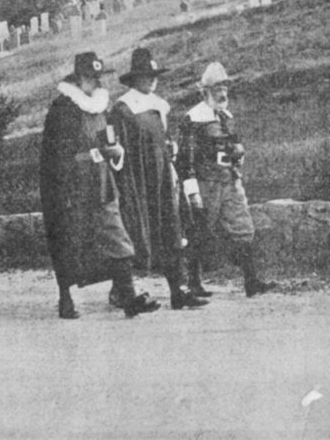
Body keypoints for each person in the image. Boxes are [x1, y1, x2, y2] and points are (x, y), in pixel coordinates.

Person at [39, 52, 161, 319]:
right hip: (74, 189)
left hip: (103, 183)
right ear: (79, 78)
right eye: (92, 78)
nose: (97, 83)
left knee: (118, 237)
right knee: (70, 242)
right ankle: (65, 297)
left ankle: (127, 297)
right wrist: (67, 184)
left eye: (99, 77)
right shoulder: (62, 109)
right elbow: (54, 156)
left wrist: (115, 152)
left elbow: (108, 140)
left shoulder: (100, 107)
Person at [110, 48, 208, 310]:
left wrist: (170, 149)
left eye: (155, 75)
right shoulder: (123, 108)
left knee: (171, 226)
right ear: (135, 78)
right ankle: (121, 290)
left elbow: (162, 137)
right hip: (137, 179)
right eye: (147, 75)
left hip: (162, 177)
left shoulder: (159, 105)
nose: (152, 80)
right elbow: (117, 147)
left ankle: (179, 290)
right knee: (134, 229)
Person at [176, 62, 276, 298]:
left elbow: (236, 146)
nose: (222, 93)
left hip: (229, 179)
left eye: (225, 88)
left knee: (243, 227)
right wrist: (192, 190)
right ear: (205, 91)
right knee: (199, 229)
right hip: (206, 182)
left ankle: (251, 281)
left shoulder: (227, 117)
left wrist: (239, 156)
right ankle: (193, 282)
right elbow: (185, 158)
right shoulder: (193, 118)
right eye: (217, 89)